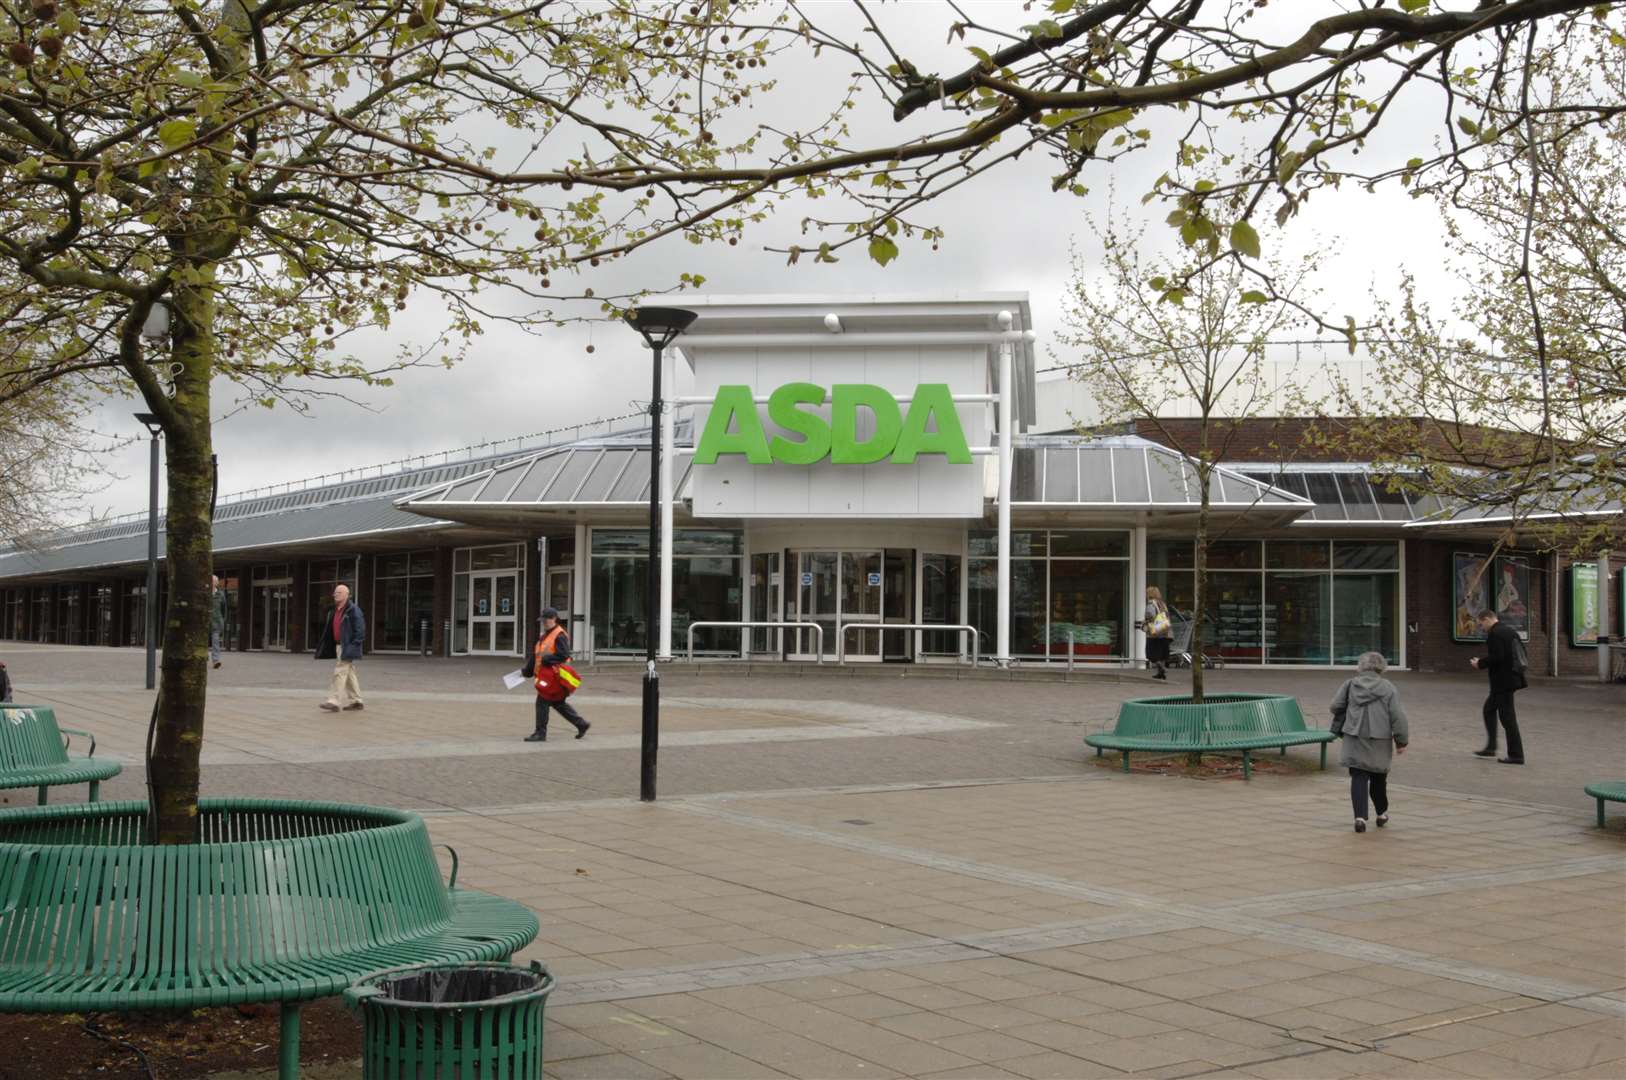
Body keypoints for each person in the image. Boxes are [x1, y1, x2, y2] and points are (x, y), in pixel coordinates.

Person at [1330, 651, 1409, 833]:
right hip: (1379, 739)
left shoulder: (1350, 684)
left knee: (1358, 777)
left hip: (1354, 736)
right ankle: (1381, 813)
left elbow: (1335, 706)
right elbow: (1397, 715)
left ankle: (1359, 818)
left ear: (1361, 666)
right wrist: (1401, 740)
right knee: (1379, 777)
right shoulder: (1388, 687)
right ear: (1381, 667)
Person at [520, 608, 588, 742]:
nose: (544, 622)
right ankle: (581, 724)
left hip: (555, 676)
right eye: (543, 620)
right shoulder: (544, 635)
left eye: (546, 620)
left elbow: (563, 655)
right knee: (558, 703)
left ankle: (540, 733)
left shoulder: (559, 634)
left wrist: (547, 660)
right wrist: (527, 670)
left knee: (542, 701)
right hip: (548, 675)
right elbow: (537, 655)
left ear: (554, 619)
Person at [1470, 609, 1526, 764]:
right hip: (1511, 679)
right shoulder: (1509, 631)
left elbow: (1498, 656)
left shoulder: (1495, 634)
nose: (1482, 628)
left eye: (1482, 624)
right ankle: (1491, 747)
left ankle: (1516, 755)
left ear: (1487, 619)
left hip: (1503, 682)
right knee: (1489, 710)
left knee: (1507, 718)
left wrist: (1479, 663)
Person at [314, 583, 366, 712]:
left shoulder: (353, 610)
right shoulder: (334, 610)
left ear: (347, 595)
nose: (335, 595)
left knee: (340, 672)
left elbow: (360, 631)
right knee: (349, 674)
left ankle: (334, 701)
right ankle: (356, 701)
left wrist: (353, 646)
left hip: (348, 647)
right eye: (335, 593)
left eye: (339, 593)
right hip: (339, 646)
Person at [1140, 586, 1173, 680]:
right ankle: (1160, 673)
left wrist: (1144, 623)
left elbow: (1150, 616)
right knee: (1162, 653)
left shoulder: (1151, 604)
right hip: (1165, 631)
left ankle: (1161, 668)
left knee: (1151, 653)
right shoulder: (1162, 604)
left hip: (1155, 632)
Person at [209, 575, 227, 670]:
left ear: (216, 583)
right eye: (211, 581)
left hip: (216, 622)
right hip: (204, 622)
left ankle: (216, 660)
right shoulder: (204, 593)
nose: (212, 583)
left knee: (215, 641)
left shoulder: (221, 594)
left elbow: (224, 609)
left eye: (214, 581)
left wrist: (222, 619)